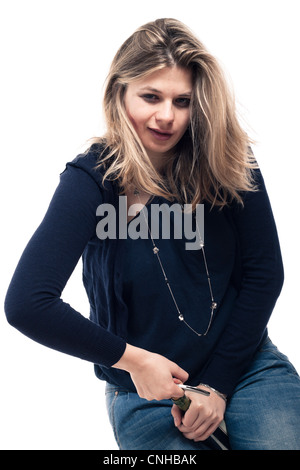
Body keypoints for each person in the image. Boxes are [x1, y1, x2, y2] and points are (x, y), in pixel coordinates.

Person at [4, 18, 300, 450]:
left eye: (183, 101)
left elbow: (264, 273)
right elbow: (27, 303)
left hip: (245, 365)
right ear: (119, 94)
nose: (167, 116)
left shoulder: (229, 159)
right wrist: (135, 362)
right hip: (142, 390)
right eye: (150, 96)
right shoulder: (92, 179)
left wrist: (217, 385)